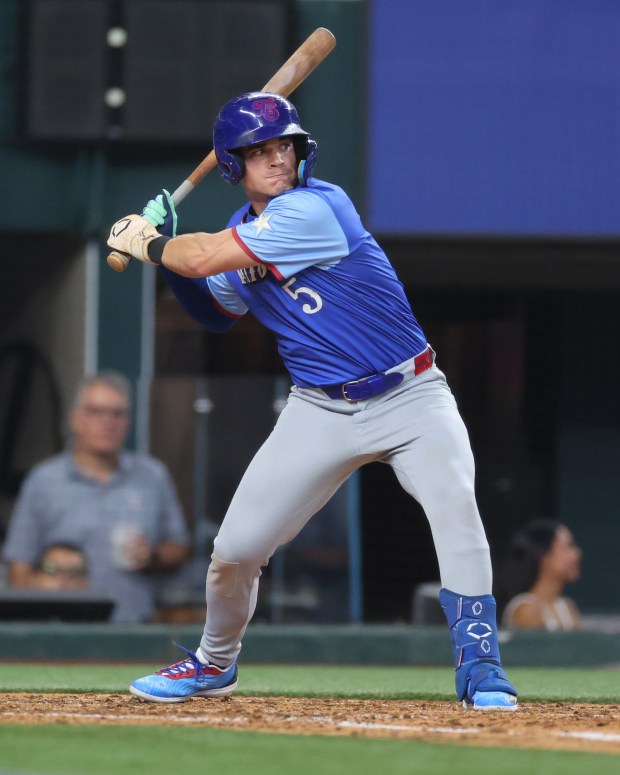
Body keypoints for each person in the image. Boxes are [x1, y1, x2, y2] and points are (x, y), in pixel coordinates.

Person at [107, 92, 518, 709]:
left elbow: (201, 257)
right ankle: (213, 664)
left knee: (456, 505)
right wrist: (165, 251)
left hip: (411, 395)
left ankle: (483, 668)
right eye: (259, 150)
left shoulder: (318, 208)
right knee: (235, 551)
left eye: (284, 146)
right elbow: (216, 311)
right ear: (233, 164)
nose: (276, 158)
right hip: (319, 410)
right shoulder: (241, 234)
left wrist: (153, 244)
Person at [2, 371, 190, 622]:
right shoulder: (44, 480)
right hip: (63, 632)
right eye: (96, 412)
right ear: (74, 420)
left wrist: (152, 555)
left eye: (117, 413)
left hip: (133, 627)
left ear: (128, 422)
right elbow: (19, 565)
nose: (107, 422)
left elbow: (179, 548)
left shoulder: (152, 476)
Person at [499, 519, 582, 631]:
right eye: (567, 547)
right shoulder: (525, 611)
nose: (576, 554)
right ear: (544, 557)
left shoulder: (568, 607)